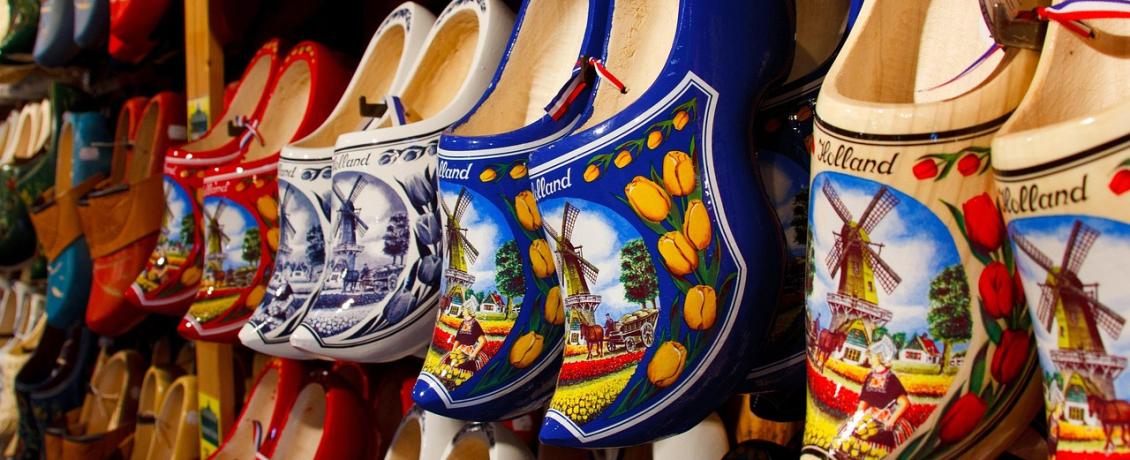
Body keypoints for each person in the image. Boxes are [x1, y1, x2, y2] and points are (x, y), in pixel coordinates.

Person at [841, 337, 913, 452]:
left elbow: (905, 403)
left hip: (887, 419)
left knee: (883, 443)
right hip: (870, 416)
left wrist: (891, 420)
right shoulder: (870, 377)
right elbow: (864, 401)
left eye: (871, 356)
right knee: (850, 433)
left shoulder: (891, 378)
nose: (869, 358)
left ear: (880, 357)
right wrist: (857, 417)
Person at [443, 306, 489, 373]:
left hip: (470, 350)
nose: (463, 312)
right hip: (460, 349)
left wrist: (474, 353)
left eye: (464, 311)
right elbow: (458, 339)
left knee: (466, 365)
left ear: (469, 312)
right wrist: (453, 351)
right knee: (447, 360)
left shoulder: (475, 324)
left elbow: (483, 341)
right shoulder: (463, 323)